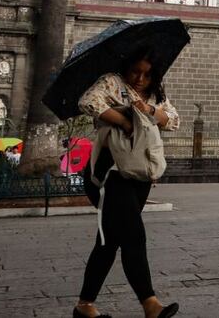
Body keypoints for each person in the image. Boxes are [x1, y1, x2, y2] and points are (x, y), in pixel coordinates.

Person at [74, 48, 180, 318]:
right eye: (135, 71)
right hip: (111, 173)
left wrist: (150, 111)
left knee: (108, 242)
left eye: (147, 74)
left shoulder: (156, 95)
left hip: (140, 176)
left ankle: (84, 306)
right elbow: (88, 102)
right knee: (134, 235)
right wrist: (124, 120)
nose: (140, 78)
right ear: (126, 68)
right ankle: (150, 303)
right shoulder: (113, 82)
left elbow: (174, 121)